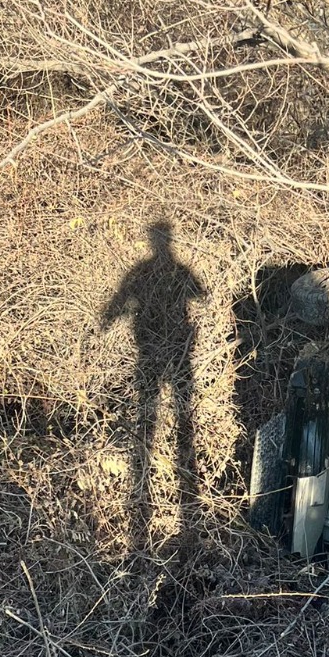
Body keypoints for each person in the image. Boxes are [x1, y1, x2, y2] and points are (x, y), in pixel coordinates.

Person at [100, 220, 205, 557]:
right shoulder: (176, 269)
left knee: (155, 409)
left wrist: (104, 323)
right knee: (173, 409)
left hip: (156, 350)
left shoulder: (143, 271)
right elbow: (201, 295)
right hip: (163, 350)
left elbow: (116, 306)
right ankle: (176, 450)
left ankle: (164, 448)